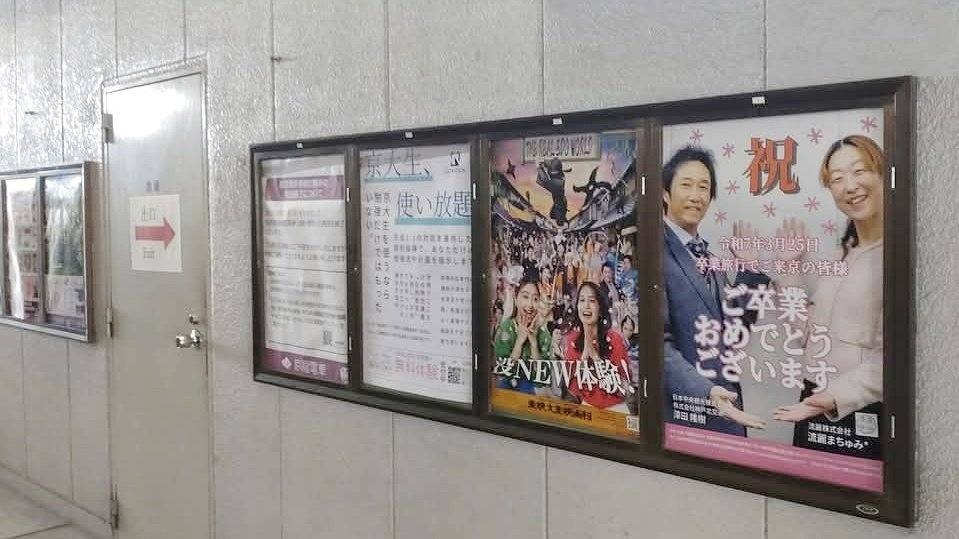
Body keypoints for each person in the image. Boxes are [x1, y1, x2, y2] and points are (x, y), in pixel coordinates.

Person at [773, 135, 885, 459]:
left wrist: (835, 397)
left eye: (859, 171)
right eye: (837, 178)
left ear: (884, 174)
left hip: (862, 408)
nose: (850, 186)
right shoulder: (838, 257)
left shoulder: (897, 254)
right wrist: (789, 269)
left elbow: (893, 359)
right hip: (813, 399)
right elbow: (806, 336)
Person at [661, 145, 768, 435]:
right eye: (686, 185)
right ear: (665, 193)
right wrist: (706, 392)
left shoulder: (708, 256)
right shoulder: (652, 251)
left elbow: (733, 332)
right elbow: (656, 346)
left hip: (725, 411)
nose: (696, 196)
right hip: (684, 416)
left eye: (704, 187)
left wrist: (750, 271)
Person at [564, 281, 631, 411]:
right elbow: (574, 389)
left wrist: (595, 357)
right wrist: (584, 358)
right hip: (588, 408)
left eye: (592, 301)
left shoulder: (614, 339)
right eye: (582, 300)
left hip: (616, 408)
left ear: (600, 309)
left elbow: (623, 388)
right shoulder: (572, 340)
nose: (586, 306)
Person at [493, 279, 552, 394]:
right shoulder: (506, 328)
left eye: (535, 299)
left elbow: (541, 380)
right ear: (516, 298)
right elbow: (503, 373)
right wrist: (519, 342)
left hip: (530, 393)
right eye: (525, 297)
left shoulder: (543, 333)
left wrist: (534, 345)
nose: (530, 305)